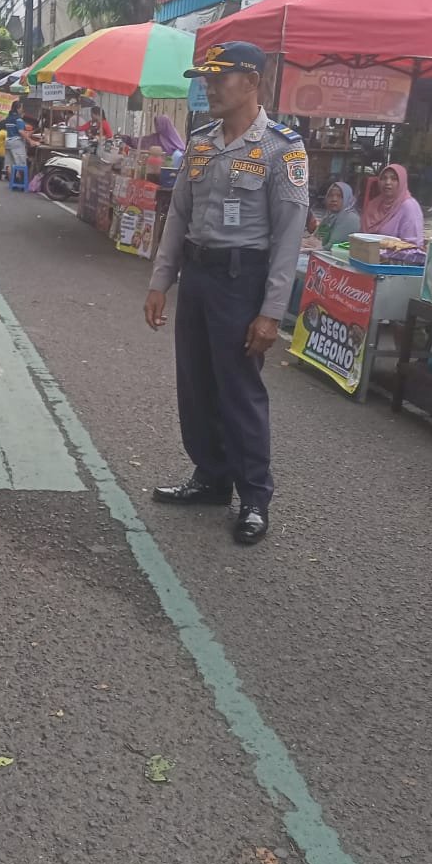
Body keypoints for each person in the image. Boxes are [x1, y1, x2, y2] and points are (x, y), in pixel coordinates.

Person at [144, 41, 309, 545]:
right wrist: (160, 281)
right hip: (198, 276)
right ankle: (212, 477)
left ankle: (255, 496)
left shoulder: (284, 149)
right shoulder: (201, 142)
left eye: (220, 78)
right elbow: (179, 216)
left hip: (243, 282)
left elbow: (288, 238)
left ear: (252, 82)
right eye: (206, 78)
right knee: (194, 385)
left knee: (239, 392)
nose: (209, 87)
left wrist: (271, 314)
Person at [360, 164, 424, 244]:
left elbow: (412, 246)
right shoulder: (373, 204)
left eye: (394, 179)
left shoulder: (409, 207)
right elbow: (361, 236)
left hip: (397, 256)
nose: (387, 182)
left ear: (402, 182)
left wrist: (383, 251)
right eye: (384, 178)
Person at [316, 181, 361, 249]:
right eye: (330, 195)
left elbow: (331, 246)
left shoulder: (350, 218)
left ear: (347, 198)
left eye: (340, 196)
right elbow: (316, 238)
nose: (334, 199)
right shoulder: (329, 217)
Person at [2, 100, 28, 175]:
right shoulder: (18, 119)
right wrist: (31, 141)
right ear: (18, 108)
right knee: (20, 164)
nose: (22, 110)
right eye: (21, 108)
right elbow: (21, 131)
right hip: (16, 143)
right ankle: (19, 182)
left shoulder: (8, 118)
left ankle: (11, 182)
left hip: (8, 142)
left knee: (9, 164)